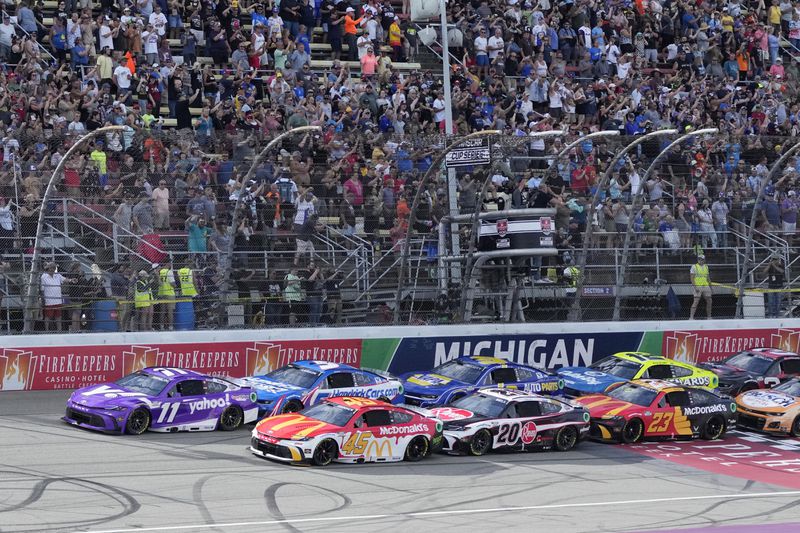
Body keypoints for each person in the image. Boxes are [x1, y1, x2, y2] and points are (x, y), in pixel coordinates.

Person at [40, 262, 66, 331]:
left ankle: (59, 330)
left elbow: (64, 279)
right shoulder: (43, 276)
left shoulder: (57, 275)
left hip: (58, 300)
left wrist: (71, 280)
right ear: (48, 268)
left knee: (58, 316)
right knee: (48, 316)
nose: (53, 269)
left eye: (54, 268)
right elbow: (42, 290)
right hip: (49, 301)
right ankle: (47, 330)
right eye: (51, 268)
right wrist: (43, 299)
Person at [689, 254, 712, 320]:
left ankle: (709, 317)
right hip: (698, 285)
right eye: (699, 259)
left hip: (705, 285)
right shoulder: (694, 266)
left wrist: (711, 287)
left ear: (704, 260)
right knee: (696, 301)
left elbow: (708, 277)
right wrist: (695, 287)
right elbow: (692, 278)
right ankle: (691, 317)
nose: (700, 260)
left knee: (709, 300)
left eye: (701, 259)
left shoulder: (706, 267)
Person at [157, 263, 176, 330]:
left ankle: (161, 326)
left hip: (162, 293)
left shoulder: (159, 272)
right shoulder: (169, 272)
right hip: (169, 293)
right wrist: (175, 286)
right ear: (167, 264)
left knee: (162, 311)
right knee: (170, 311)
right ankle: (170, 327)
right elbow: (172, 283)